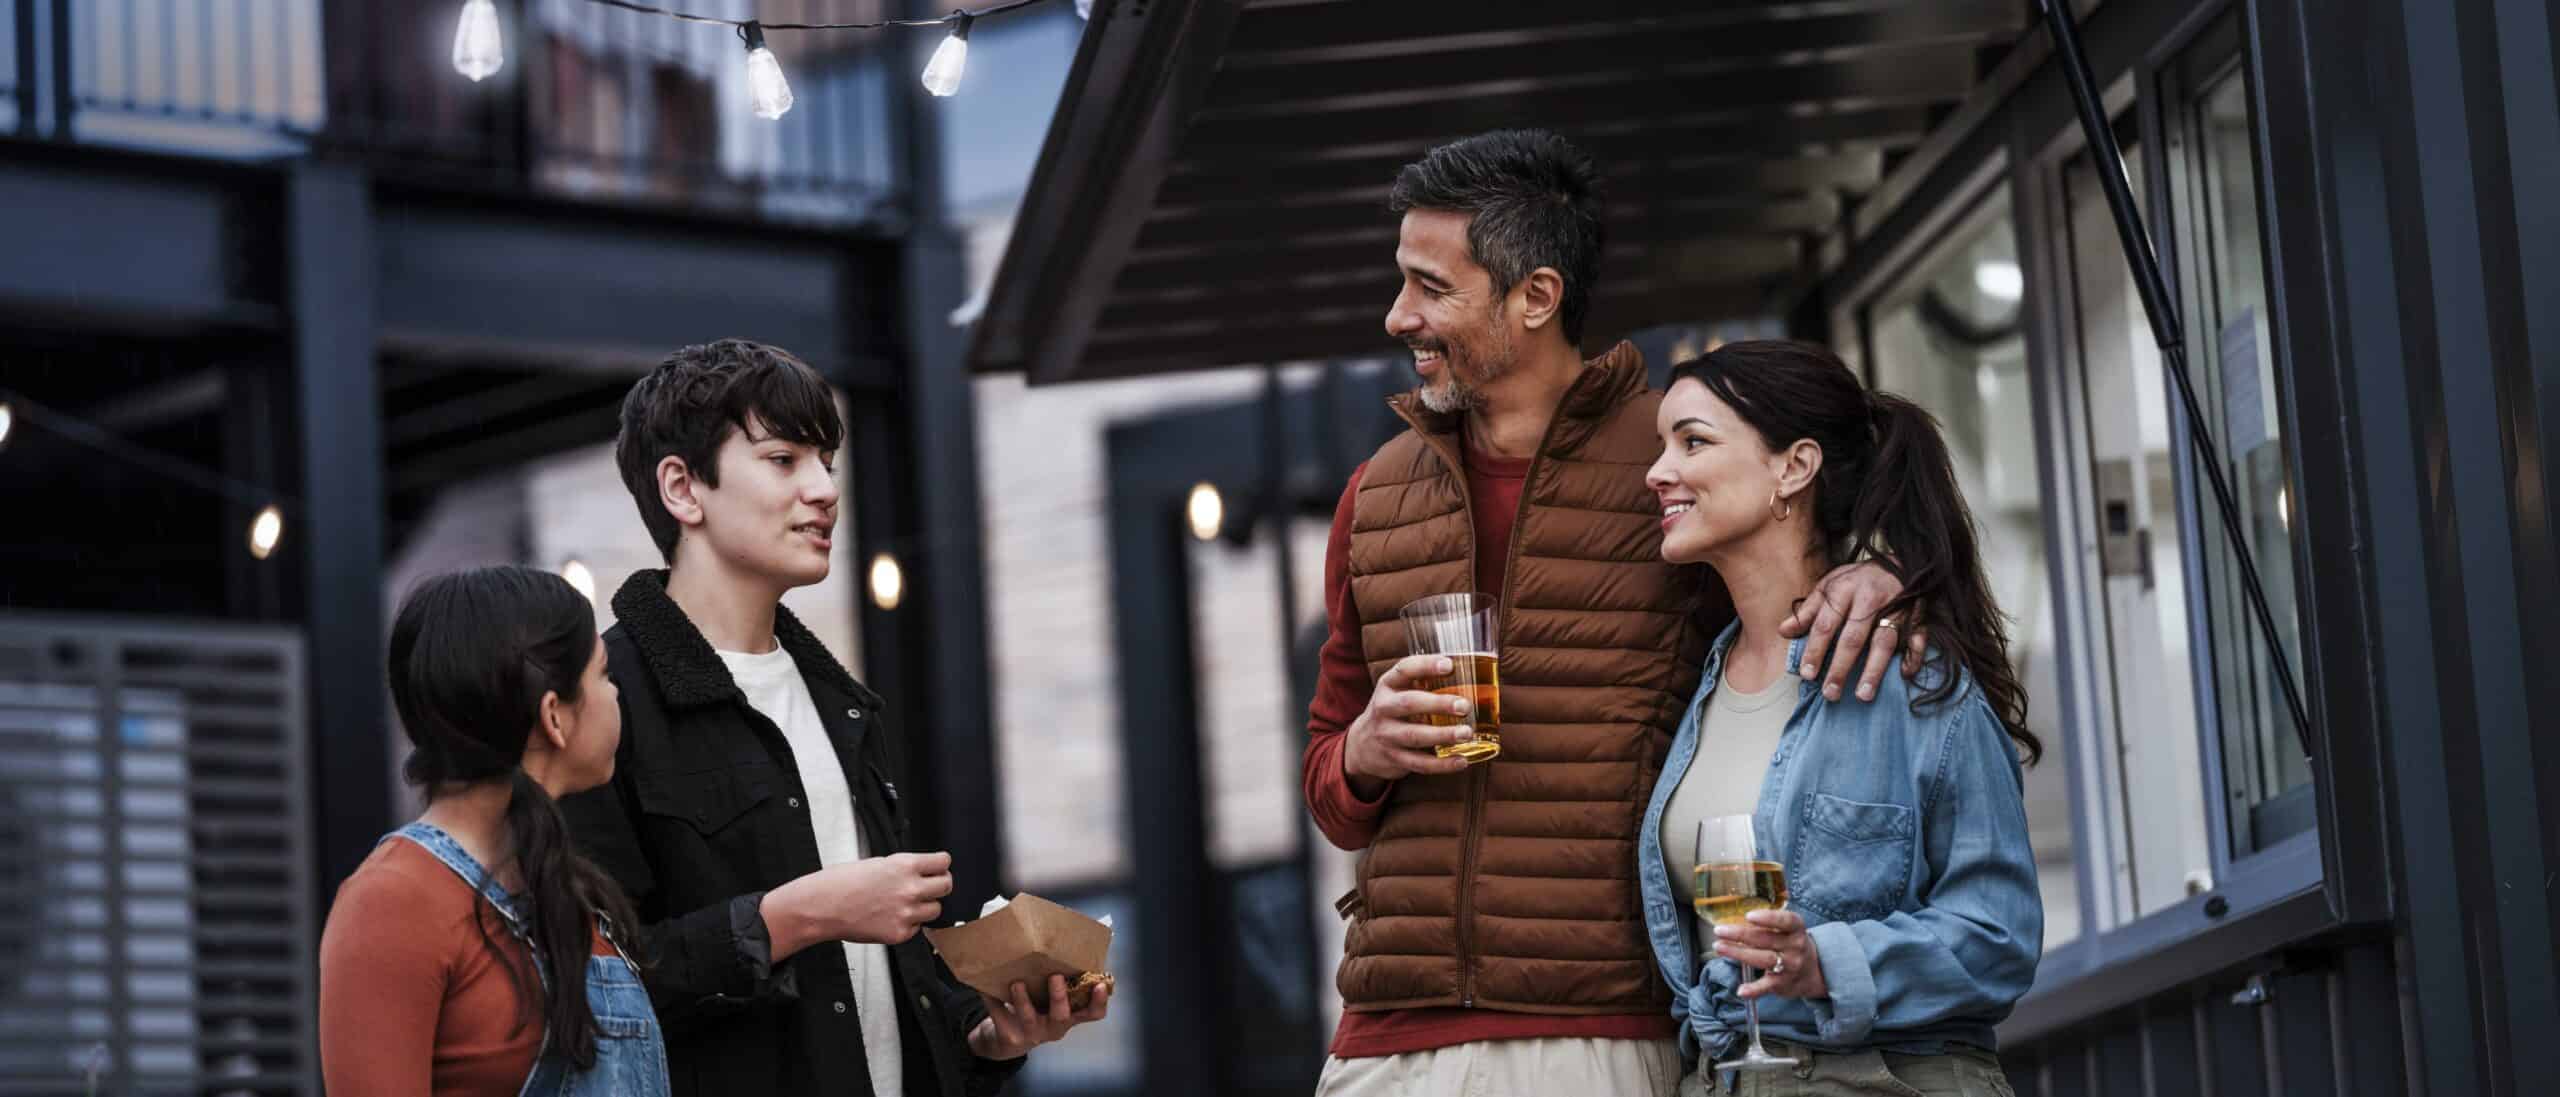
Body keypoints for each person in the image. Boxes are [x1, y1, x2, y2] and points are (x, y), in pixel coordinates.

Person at [1301, 130, 1918, 1097]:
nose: (1396, 317)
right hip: (1383, 1043)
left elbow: (1796, 578)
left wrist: (1872, 574)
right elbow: (1327, 787)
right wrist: (1364, 753)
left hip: (1596, 1029)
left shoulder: (1672, 468)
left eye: (1431, 287)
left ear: (1536, 297)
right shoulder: (1372, 497)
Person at [558, 339, 1104, 1097]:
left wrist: (988, 1035)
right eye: (783, 460)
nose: (822, 489)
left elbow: (883, 989)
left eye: (827, 461)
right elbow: (588, 985)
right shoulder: (605, 701)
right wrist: (797, 915)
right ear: (683, 488)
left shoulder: (839, 701)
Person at [1637, 340, 2043, 1096]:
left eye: (1692, 441)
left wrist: (1828, 962)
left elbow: (1999, 935)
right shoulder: (1697, 678)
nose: (1657, 471)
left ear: (1793, 467)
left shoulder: (1910, 675)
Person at [320, 565, 668, 1096]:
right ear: (555, 716)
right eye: (603, 675)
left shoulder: (564, 885)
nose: (616, 694)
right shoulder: (393, 900)